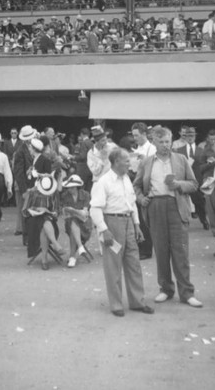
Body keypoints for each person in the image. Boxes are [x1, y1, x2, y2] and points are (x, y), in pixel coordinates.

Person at [134, 126, 203, 308]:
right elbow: (137, 185)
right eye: (161, 142)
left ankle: (187, 293)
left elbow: (194, 184)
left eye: (167, 141)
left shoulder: (181, 160)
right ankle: (165, 289)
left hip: (176, 206)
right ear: (154, 142)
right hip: (155, 206)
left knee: (180, 251)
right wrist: (141, 199)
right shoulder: (147, 162)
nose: (165, 145)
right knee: (161, 250)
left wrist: (179, 184)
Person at [90, 148, 154, 317]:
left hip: (128, 223)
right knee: (113, 265)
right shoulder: (103, 182)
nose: (129, 163)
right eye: (126, 160)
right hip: (112, 223)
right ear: (116, 161)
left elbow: (132, 204)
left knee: (134, 263)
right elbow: (95, 209)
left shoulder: (126, 179)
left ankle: (137, 302)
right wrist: (104, 230)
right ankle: (116, 304)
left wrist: (137, 225)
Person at [24, 166, 65, 270]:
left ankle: (44, 259)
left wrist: (53, 212)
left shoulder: (54, 193)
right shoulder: (32, 192)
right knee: (43, 220)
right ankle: (55, 245)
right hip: (33, 222)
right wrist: (37, 209)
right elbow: (25, 211)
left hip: (49, 221)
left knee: (44, 224)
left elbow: (57, 210)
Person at [131, 122, 156, 259]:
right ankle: (140, 247)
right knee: (137, 218)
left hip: (146, 186)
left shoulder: (151, 149)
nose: (135, 138)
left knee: (144, 219)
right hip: (135, 183)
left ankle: (146, 250)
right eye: (133, 135)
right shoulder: (137, 148)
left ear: (145, 134)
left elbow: (154, 165)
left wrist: (143, 160)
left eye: (137, 135)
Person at [176, 126, 209, 230]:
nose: (190, 138)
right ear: (184, 137)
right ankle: (184, 222)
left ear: (195, 137)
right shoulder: (179, 150)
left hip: (197, 180)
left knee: (199, 202)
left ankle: (204, 220)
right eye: (188, 136)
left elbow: (205, 165)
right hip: (184, 180)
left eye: (192, 136)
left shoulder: (202, 150)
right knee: (182, 202)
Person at [13, 125, 39, 245]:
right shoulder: (20, 151)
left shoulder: (34, 147)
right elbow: (18, 173)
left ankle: (33, 236)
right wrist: (24, 190)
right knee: (26, 212)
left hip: (35, 184)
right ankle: (27, 238)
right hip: (26, 186)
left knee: (34, 211)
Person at [61, 174, 92, 268]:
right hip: (70, 222)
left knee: (73, 226)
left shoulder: (85, 195)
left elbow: (85, 212)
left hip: (84, 224)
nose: (70, 190)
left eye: (72, 188)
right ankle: (80, 248)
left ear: (77, 187)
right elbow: (64, 214)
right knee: (72, 221)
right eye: (69, 188)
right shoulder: (65, 196)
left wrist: (75, 211)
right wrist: (70, 211)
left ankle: (72, 257)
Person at [74, 127, 94, 192]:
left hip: (83, 168)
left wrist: (73, 157)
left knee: (81, 187)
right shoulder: (91, 143)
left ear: (82, 134)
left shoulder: (84, 143)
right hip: (90, 168)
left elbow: (82, 156)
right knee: (89, 188)